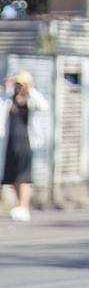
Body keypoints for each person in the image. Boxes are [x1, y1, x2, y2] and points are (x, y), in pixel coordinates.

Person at [1, 71, 50, 222]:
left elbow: (44, 106)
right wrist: (5, 87)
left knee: (24, 176)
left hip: (26, 144)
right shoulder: (8, 100)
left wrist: (31, 89)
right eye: (17, 85)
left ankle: (24, 206)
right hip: (9, 143)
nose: (19, 88)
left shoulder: (31, 101)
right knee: (13, 176)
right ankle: (19, 205)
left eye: (21, 85)